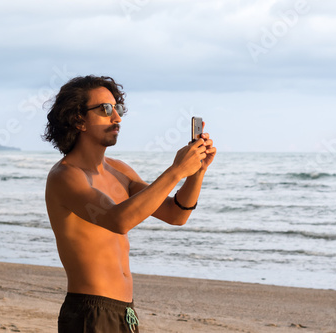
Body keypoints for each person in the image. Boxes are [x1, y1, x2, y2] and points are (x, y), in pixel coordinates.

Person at [43, 75, 216, 333]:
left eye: (118, 108)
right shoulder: (66, 177)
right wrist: (176, 171)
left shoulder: (120, 171)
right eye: (105, 110)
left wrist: (196, 172)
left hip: (126, 312)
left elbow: (176, 214)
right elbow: (118, 220)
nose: (117, 118)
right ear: (78, 119)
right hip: (89, 313)